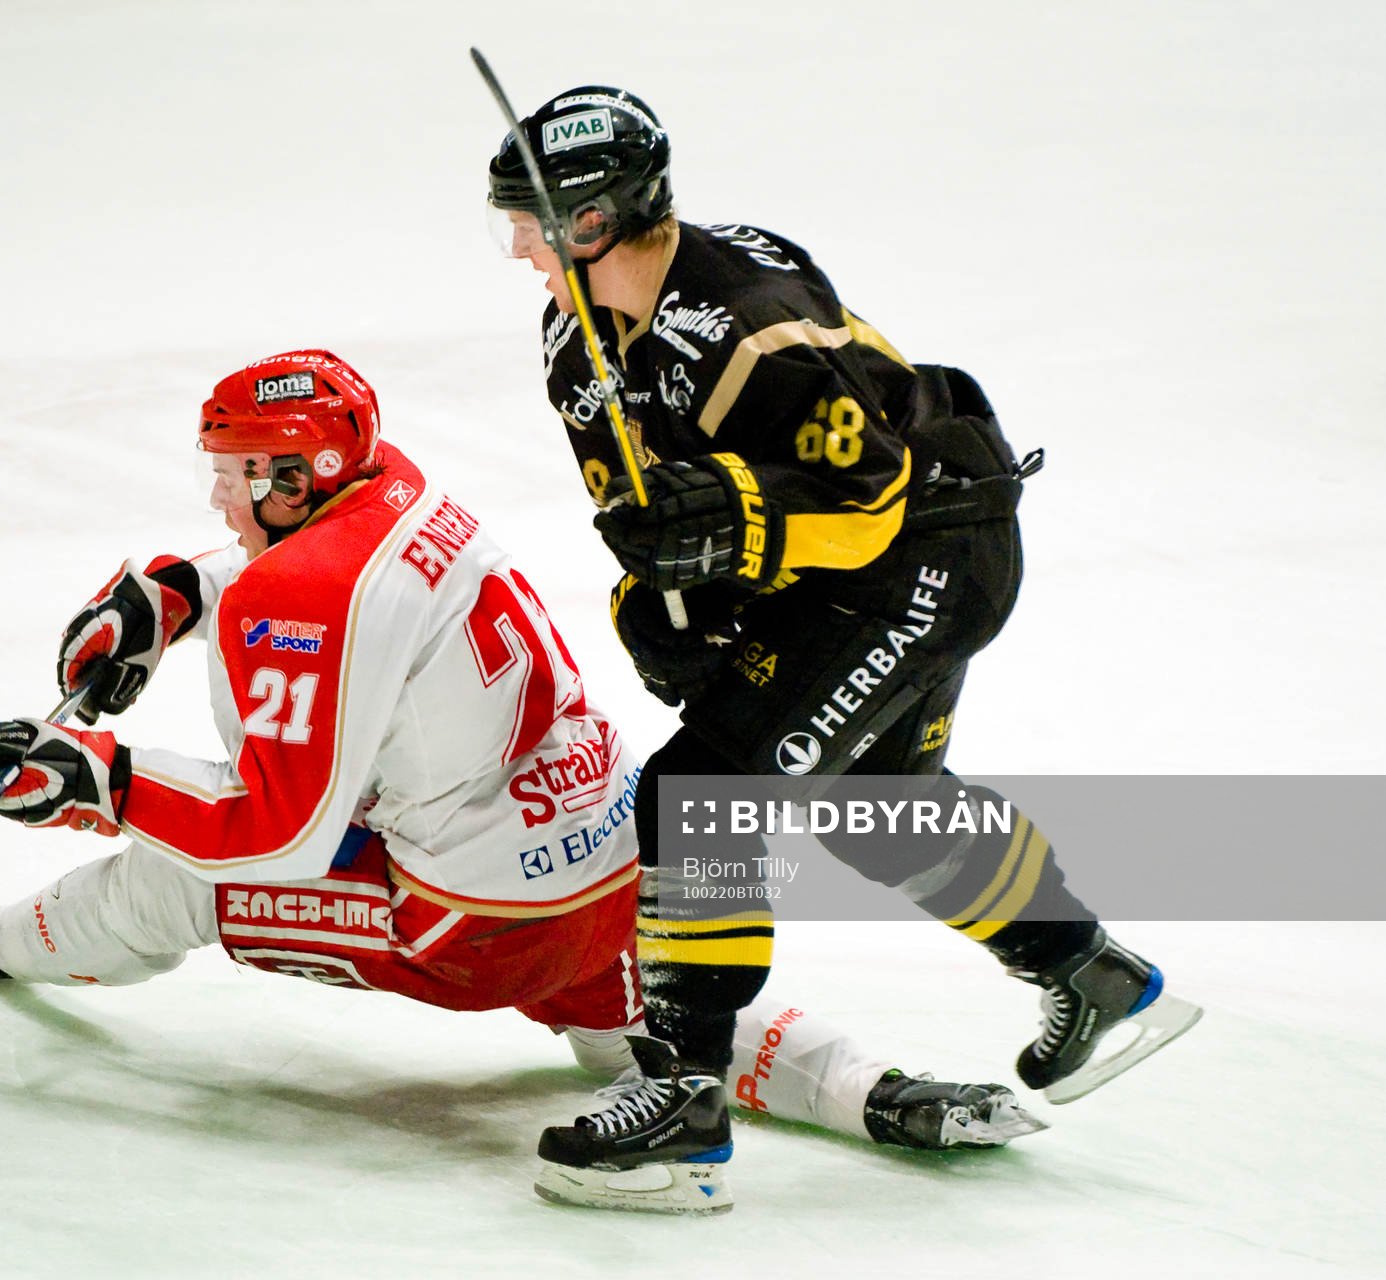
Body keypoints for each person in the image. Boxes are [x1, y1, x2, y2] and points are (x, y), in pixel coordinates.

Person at [0, 349, 1040, 1214]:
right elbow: (330, 577)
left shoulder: (303, 595)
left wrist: (98, 778)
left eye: (238, 473)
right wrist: (176, 587)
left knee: (169, 884)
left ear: (305, 469)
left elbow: (274, 828)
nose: (219, 495)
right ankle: (884, 1091)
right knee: (633, 1027)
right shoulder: (401, 488)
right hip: (608, 854)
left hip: (478, 921)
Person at [486, 88, 1201, 1211]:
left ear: (597, 219)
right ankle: (1089, 968)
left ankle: (684, 1108)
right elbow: (646, 510)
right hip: (841, 573)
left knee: (699, 795)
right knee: (877, 794)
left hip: (921, 557)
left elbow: (866, 498)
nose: (518, 244)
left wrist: (724, 518)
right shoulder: (575, 341)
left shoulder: (750, 320)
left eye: (534, 219)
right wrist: (668, 590)